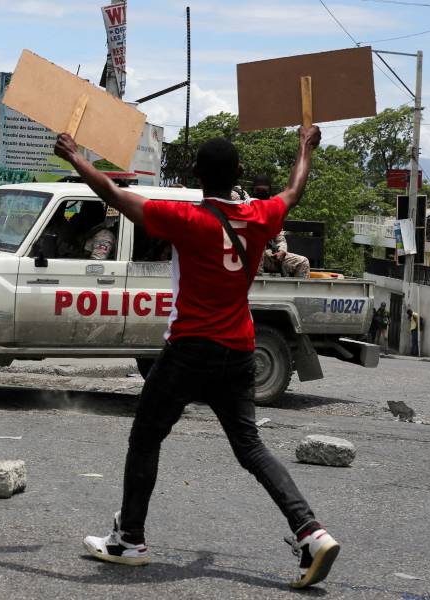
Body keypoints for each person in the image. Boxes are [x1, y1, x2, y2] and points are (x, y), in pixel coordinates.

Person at [54, 125, 339, 589]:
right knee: (250, 447)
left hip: (189, 349)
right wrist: (304, 147)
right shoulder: (260, 216)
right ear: (239, 172)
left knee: (146, 437)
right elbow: (294, 190)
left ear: (195, 176)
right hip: (239, 350)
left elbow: (113, 193)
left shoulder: (186, 219)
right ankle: (311, 532)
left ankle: (129, 539)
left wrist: (74, 157)